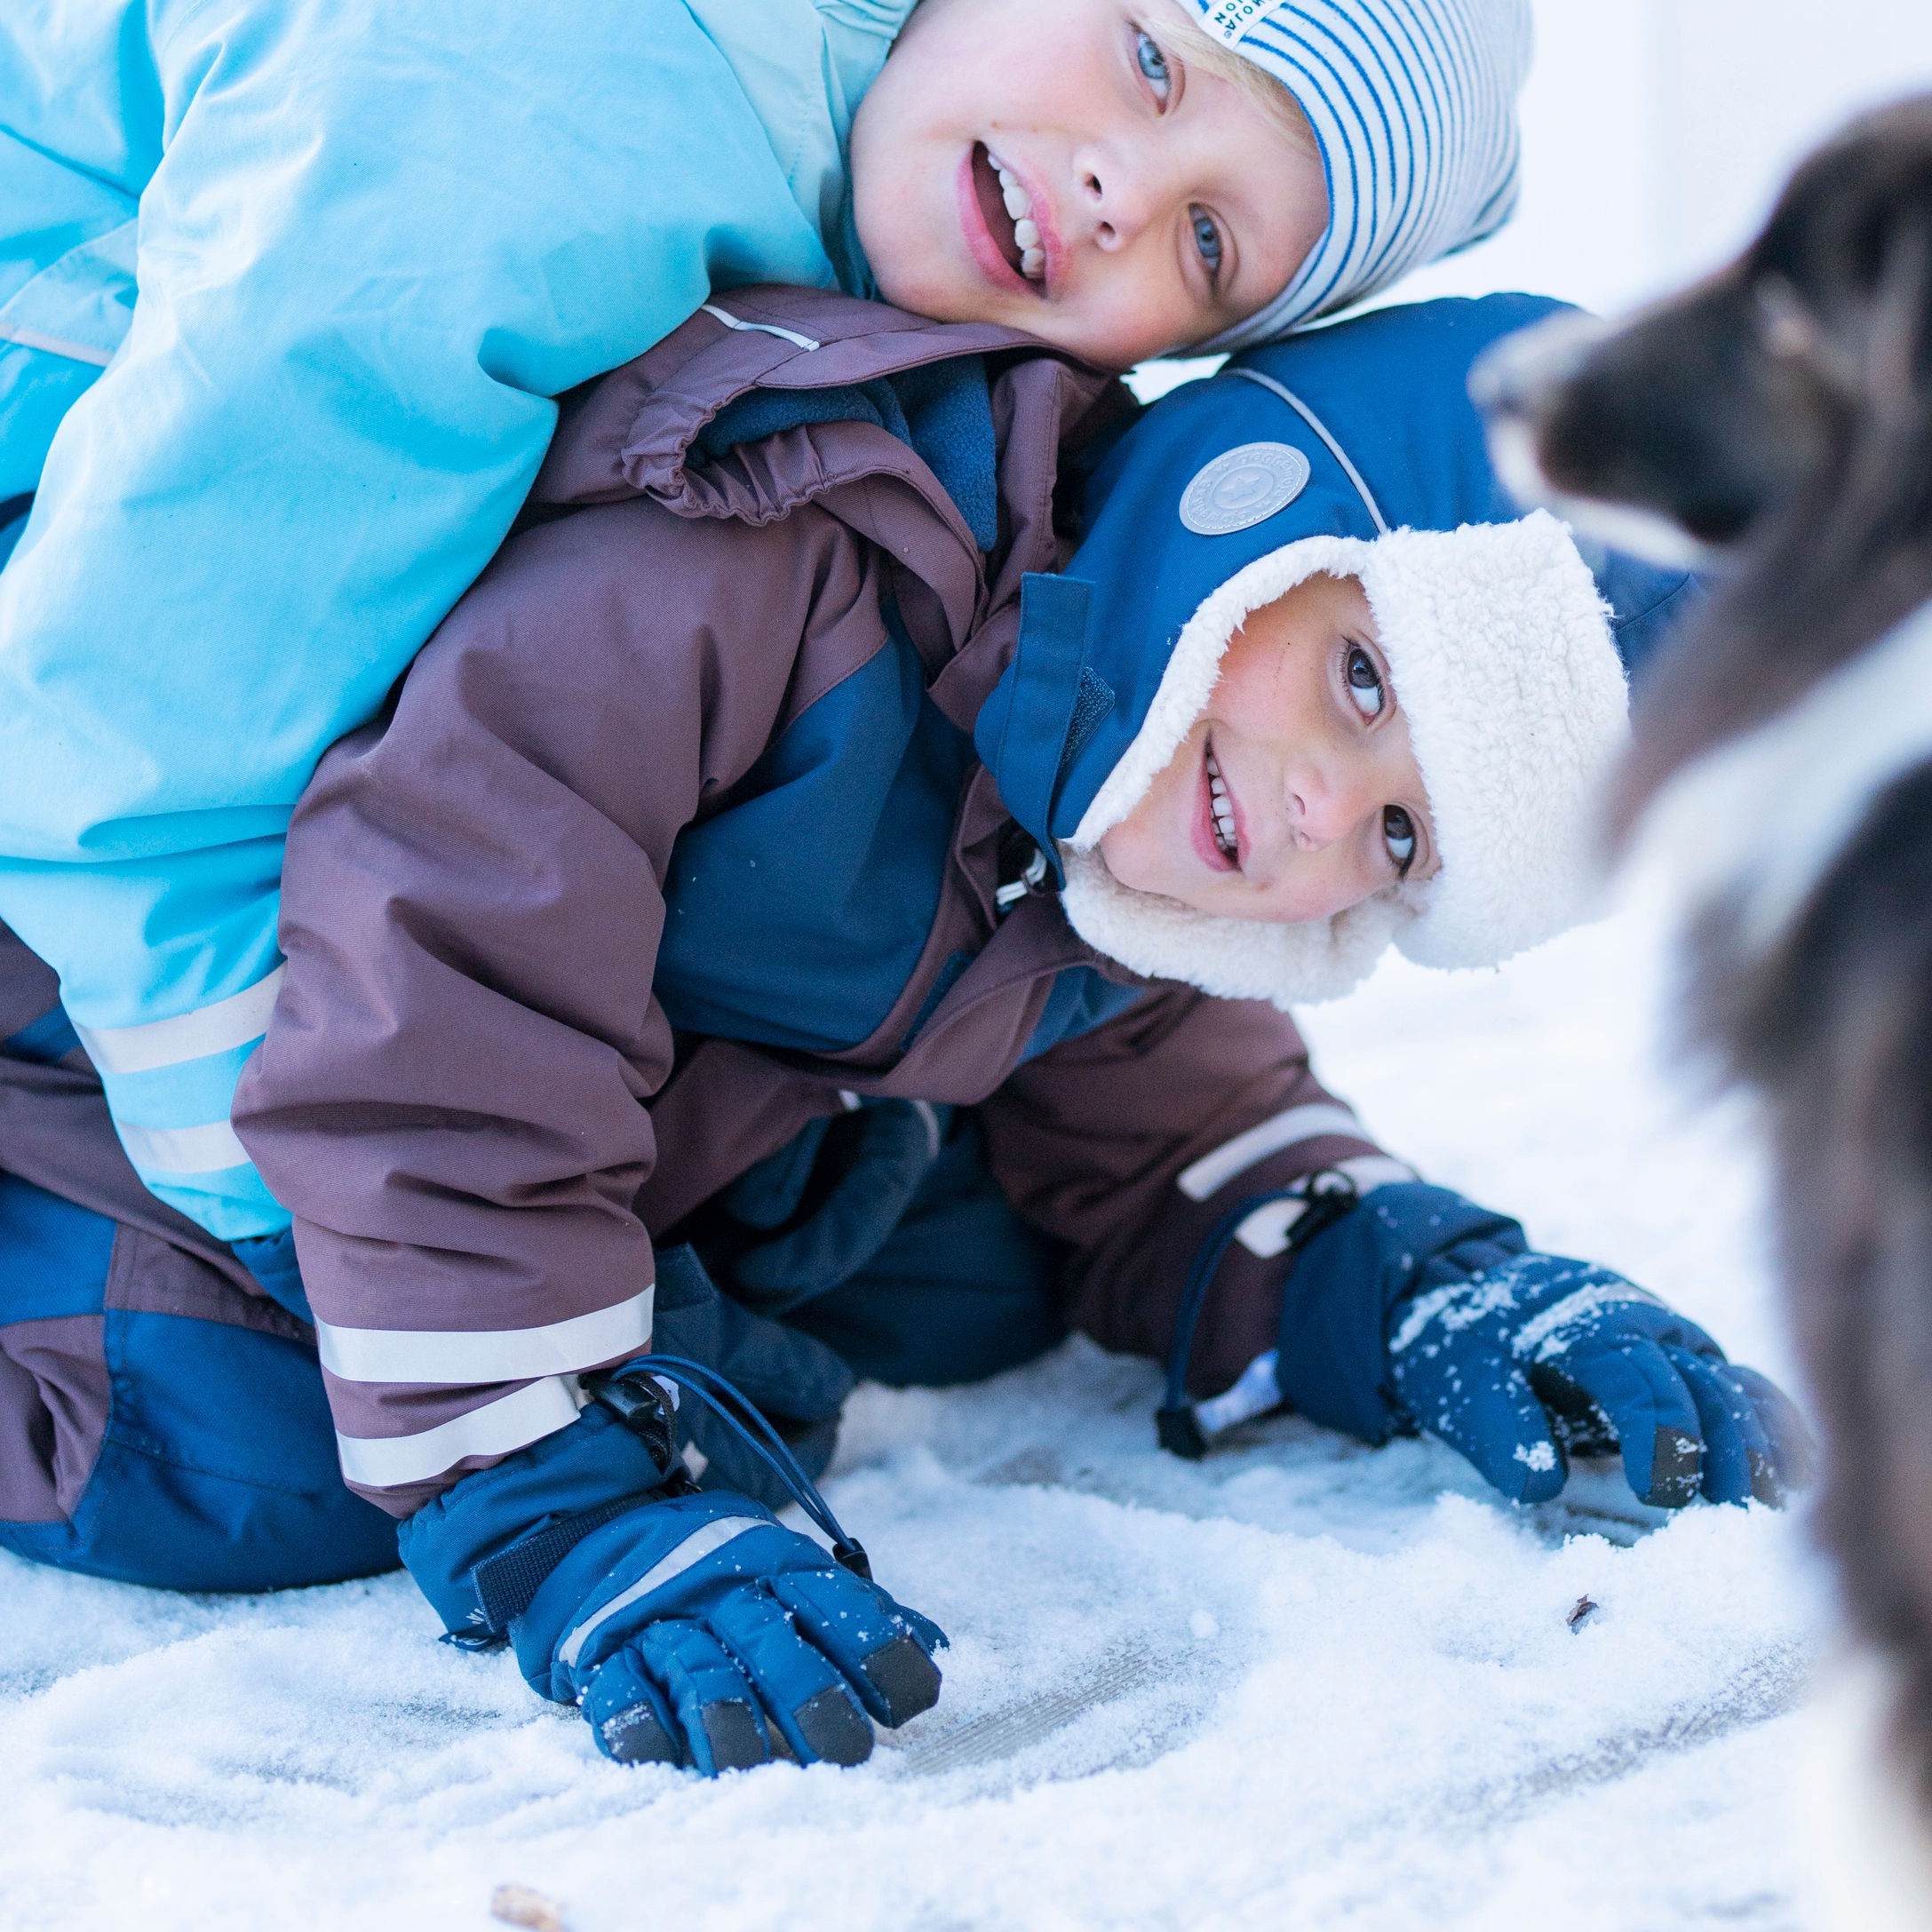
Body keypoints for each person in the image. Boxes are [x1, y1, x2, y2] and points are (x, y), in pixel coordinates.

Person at [0, 285, 1806, 1776]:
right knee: (246, 1438)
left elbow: (1158, 1113)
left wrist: (1402, 1282)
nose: (1324, 809)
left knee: (965, 1267)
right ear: (1253, 504)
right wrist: (559, 1478)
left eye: (1403, 835)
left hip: (640, 1091)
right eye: (1359, 677)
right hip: (158, 1035)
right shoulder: (779, 564)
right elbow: (440, 978)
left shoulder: (1130, 775)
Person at [0, 0, 1530, 1249]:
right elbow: (179, 610)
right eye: (1149, 59)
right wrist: (251, 1144)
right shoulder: (540, 101)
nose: (1123, 191)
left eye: (1209, 245)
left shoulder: (891, 186)